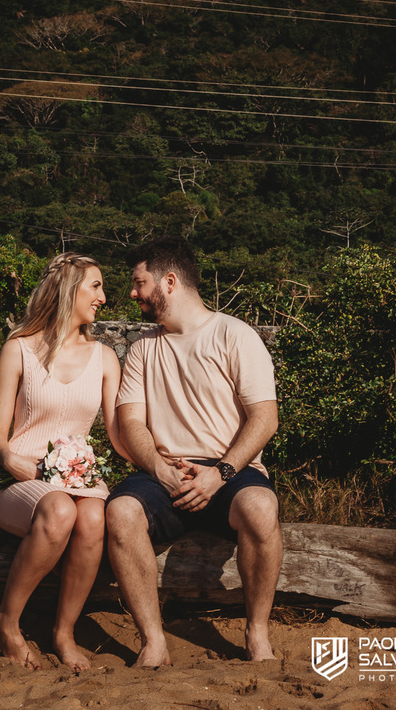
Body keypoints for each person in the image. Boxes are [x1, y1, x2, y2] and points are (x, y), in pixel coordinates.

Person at [105, 237, 281, 666]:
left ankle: (256, 631)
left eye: (139, 283)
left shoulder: (235, 335)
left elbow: (265, 418)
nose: (132, 293)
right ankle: (154, 640)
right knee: (120, 513)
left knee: (260, 507)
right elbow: (131, 422)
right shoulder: (144, 347)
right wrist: (160, 471)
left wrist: (220, 473)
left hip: (229, 472)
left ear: (169, 281)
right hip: (160, 472)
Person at [0, 252, 127, 672]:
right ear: (69, 289)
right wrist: (12, 460)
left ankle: (63, 633)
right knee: (60, 509)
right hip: (21, 482)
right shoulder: (19, 349)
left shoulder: (105, 358)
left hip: (80, 481)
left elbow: (119, 436)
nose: (103, 296)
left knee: (93, 519)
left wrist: (164, 462)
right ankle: (7, 621)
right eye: (96, 286)